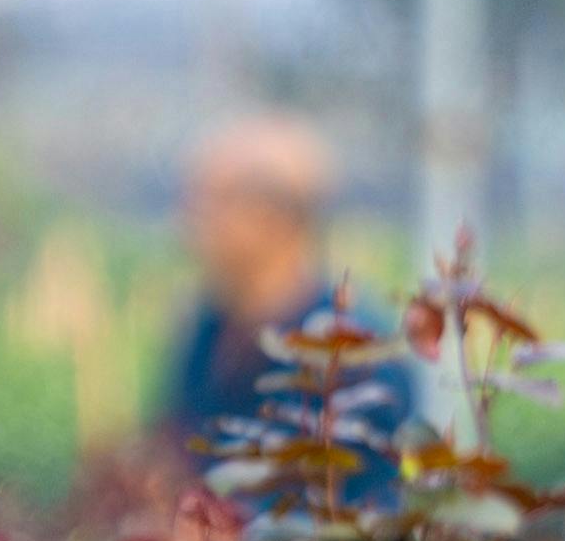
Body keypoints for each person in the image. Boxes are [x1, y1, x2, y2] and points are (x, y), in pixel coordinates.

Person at [157, 112, 410, 507]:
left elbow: (359, 518)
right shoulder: (208, 332)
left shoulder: (355, 356)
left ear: (269, 216)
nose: (187, 218)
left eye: (207, 199)